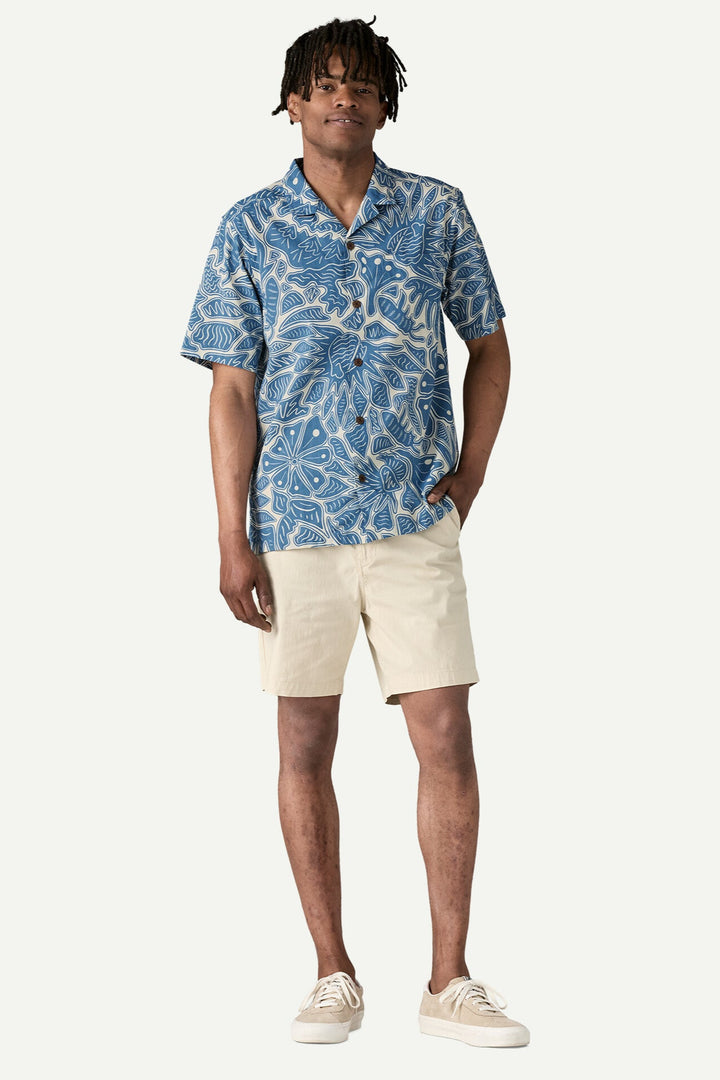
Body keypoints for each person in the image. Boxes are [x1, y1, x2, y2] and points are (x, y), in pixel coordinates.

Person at [180, 15, 529, 1049]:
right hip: (294, 522)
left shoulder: (437, 211)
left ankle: (449, 979)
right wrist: (230, 534)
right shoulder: (249, 227)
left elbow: (491, 345)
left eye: (363, 84)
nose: (345, 98)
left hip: (413, 516)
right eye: (326, 83)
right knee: (303, 740)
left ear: (386, 104)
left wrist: (471, 472)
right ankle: (332, 970)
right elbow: (231, 389)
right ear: (292, 101)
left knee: (445, 735)